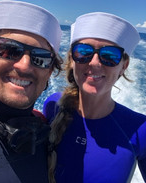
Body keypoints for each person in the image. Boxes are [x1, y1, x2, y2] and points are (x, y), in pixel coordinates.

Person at [0, 1, 63, 183]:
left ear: (49, 72)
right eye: (9, 50)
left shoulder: (42, 126)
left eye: (40, 57)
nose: (24, 65)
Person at [43, 12, 146, 183]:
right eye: (84, 52)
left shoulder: (140, 129)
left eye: (110, 55)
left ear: (123, 66)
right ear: (72, 59)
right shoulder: (52, 106)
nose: (95, 63)